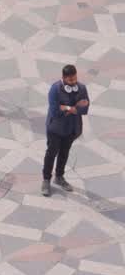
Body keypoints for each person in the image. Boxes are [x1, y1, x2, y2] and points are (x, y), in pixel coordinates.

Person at [43, 65, 89, 197]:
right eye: (70, 80)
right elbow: (55, 113)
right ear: (63, 78)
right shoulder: (55, 90)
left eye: (75, 79)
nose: (74, 82)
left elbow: (85, 109)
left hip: (71, 129)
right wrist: (74, 108)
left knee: (64, 153)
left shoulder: (81, 88)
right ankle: (46, 180)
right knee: (51, 153)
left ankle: (59, 176)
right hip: (55, 129)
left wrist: (67, 108)